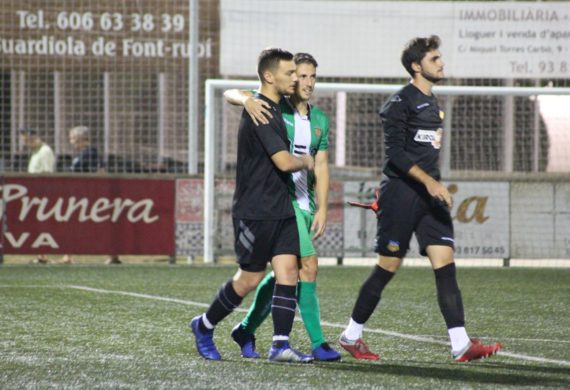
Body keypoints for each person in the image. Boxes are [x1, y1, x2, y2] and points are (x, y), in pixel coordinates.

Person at [338, 36, 503, 362]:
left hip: (430, 197)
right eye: (434, 59)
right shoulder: (400, 103)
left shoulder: (434, 102)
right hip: (401, 195)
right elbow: (395, 155)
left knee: (445, 265)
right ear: (417, 66)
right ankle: (351, 335)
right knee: (387, 267)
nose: (441, 63)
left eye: (440, 58)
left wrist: (432, 185)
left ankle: (461, 344)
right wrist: (429, 182)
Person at [190, 48, 315, 363]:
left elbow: (238, 92)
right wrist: (307, 160)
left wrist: (242, 96)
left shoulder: (273, 105)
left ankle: (280, 346)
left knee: (288, 271)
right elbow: (285, 162)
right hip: (255, 210)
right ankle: (204, 326)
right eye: (290, 73)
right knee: (248, 279)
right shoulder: (261, 110)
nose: (296, 78)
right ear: (270, 76)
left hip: (282, 208)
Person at [223, 53, 341, 361]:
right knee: (309, 267)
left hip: (306, 205)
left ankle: (246, 329)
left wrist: (323, 208)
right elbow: (232, 92)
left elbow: (322, 167)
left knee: (280, 275)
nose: (307, 82)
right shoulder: (273, 110)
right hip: (282, 203)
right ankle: (317, 343)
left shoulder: (320, 120)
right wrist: (244, 100)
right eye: (301, 76)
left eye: (313, 76)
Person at [63, 125, 121, 265]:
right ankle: (68, 255)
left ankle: (113, 255)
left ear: (80, 138)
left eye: (72, 138)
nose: (71, 141)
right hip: (83, 195)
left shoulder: (90, 153)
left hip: (89, 196)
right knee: (76, 225)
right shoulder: (83, 153)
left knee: (95, 226)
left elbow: (93, 173)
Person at [21, 128, 56, 264]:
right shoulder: (36, 152)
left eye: (27, 140)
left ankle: (45, 254)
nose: (26, 143)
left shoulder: (45, 151)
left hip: (42, 192)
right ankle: (41, 254)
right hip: (33, 192)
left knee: (44, 224)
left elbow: (48, 172)